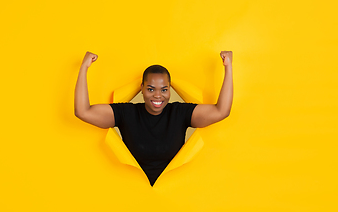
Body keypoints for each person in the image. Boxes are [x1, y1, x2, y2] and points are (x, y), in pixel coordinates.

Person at [74, 51, 233, 186]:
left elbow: (221, 111)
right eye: (151, 89)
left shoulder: (179, 113)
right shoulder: (126, 113)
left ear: (170, 89)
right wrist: (84, 67)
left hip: (175, 191)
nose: (158, 95)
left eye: (164, 89)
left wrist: (228, 67)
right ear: (141, 88)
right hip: (131, 190)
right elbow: (83, 111)